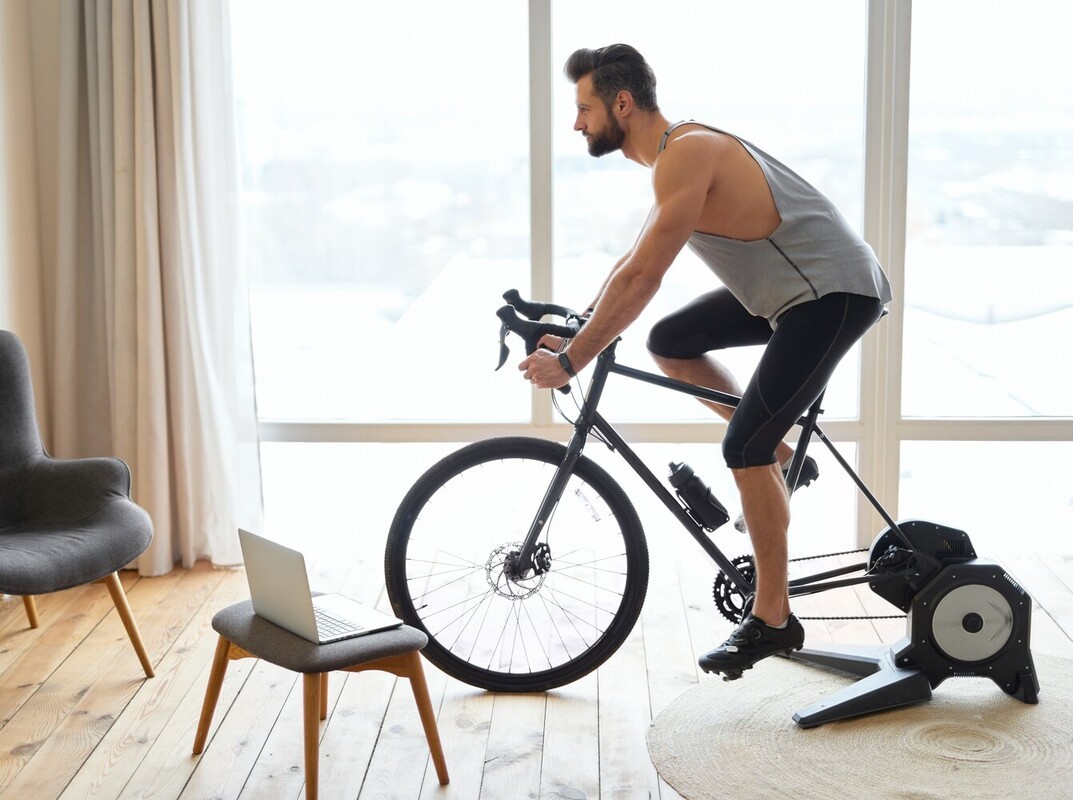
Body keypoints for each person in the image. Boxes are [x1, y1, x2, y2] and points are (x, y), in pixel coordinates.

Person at [518, 43, 892, 680]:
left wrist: (576, 359)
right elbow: (630, 264)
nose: (577, 122)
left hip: (833, 293)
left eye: (583, 107)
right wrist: (577, 326)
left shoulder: (686, 153)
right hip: (786, 295)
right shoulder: (671, 162)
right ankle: (777, 456)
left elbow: (644, 278)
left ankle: (774, 619)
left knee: (740, 446)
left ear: (622, 103)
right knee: (670, 340)